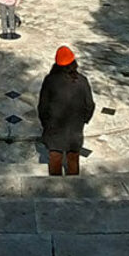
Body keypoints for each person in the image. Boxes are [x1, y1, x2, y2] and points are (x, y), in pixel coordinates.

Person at [38, 45, 95, 176]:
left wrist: (45, 124)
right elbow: (90, 105)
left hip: (54, 130)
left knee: (55, 159)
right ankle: (74, 188)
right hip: (75, 130)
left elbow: (42, 107)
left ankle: (56, 189)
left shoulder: (50, 80)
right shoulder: (82, 81)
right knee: (73, 160)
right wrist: (83, 120)